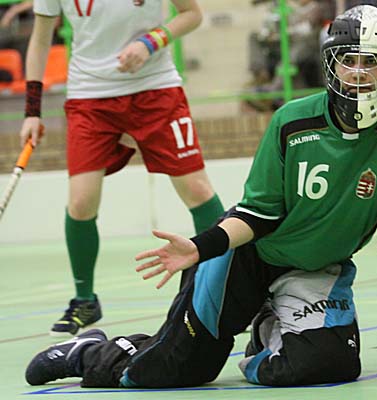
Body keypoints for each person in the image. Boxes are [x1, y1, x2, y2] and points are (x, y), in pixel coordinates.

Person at [25, 5, 377, 388]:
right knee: (172, 371)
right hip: (248, 255)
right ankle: (88, 351)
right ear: (331, 63)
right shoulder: (291, 121)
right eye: (347, 60)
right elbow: (258, 213)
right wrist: (200, 248)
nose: (357, 72)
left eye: (371, 62)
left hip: (317, 267)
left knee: (329, 366)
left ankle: (265, 333)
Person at [19, 0, 224, 337]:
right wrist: (32, 111)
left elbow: (192, 14)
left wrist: (151, 42)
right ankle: (85, 300)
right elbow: (41, 40)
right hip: (90, 96)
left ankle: (230, 287)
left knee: (197, 190)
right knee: (81, 203)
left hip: (156, 88)